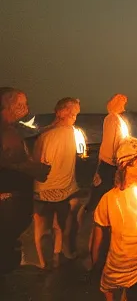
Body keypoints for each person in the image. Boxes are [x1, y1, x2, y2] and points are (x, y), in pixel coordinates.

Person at [91, 137, 137, 301]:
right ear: (124, 166)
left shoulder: (109, 197)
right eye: (136, 162)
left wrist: (95, 265)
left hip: (125, 264)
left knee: (109, 289)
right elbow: (98, 236)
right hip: (130, 264)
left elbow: (98, 233)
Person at [0, 87, 50, 275]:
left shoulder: (9, 129)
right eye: (22, 104)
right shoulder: (7, 133)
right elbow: (16, 162)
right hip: (9, 200)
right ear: (9, 105)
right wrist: (41, 170)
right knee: (6, 243)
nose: (27, 108)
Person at [32, 97, 81, 268]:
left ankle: (43, 262)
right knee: (58, 226)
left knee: (41, 228)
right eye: (72, 114)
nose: (74, 117)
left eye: (76, 114)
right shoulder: (69, 133)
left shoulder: (47, 136)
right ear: (61, 112)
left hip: (45, 189)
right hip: (64, 189)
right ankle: (57, 256)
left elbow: (38, 164)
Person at [88, 94, 129, 212]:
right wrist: (116, 160)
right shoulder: (112, 119)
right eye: (122, 103)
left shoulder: (115, 119)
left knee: (105, 194)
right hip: (110, 163)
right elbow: (111, 141)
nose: (124, 106)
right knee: (103, 194)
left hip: (111, 162)